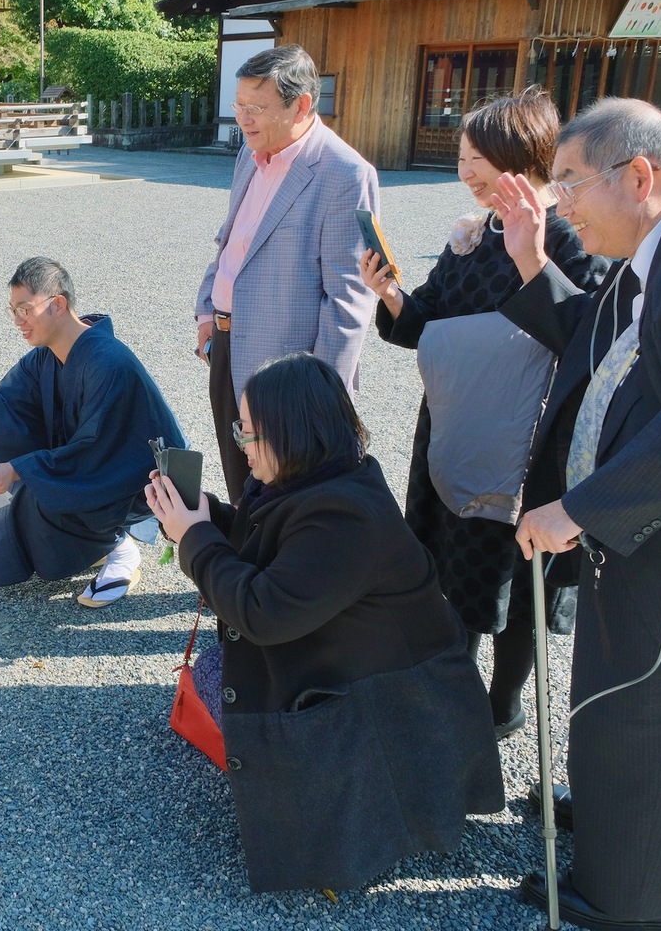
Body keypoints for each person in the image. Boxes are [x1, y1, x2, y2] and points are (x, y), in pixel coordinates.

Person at [147, 352, 503, 893]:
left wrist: (193, 538)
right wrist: (205, 515)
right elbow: (267, 546)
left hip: (395, 702)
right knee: (220, 680)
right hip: (356, 662)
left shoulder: (344, 516)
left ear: (292, 432)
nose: (239, 443)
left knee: (224, 684)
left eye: (247, 432)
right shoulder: (318, 477)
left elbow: (262, 612)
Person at [491, 99, 661, 931]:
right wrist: (527, 260)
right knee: (617, 692)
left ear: (638, 176)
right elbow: (595, 341)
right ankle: (603, 824)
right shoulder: (656, 239)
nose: (557, 205)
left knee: (656, 711)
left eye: (566, 183)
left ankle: (640, 901)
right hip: (639, 530)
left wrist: (581, 508)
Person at [360, 88, 610, 738]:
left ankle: (502, 703)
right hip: (455, 426)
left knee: (512, 578)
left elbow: (583, 340)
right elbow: (424, 323)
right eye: (463, 156)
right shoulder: (472, 236)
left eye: (476, 157)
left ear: (518, 157)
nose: (464, 169)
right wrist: (389, 293)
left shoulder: (569, 236)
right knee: (454, 562)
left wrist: (534, 261)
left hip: (526, 446)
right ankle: (453, 685)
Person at [195, 44, 379, 500]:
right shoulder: (249, 155)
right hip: (225, 345)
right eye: (238, 106)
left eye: (256, 108)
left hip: (289, 372)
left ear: (301, 105)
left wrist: (319, 397)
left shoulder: (344, 172)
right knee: (242, 485)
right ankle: (246, 568)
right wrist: (205, 315)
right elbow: (231, 242)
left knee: (291, 495)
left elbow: (349, 299)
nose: (243, 119)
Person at [0, 257, 185, 607]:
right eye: (13, 311)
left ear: (58, 304)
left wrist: (17, 469)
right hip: (89, 470)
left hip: (133, 482)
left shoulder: (109, 362)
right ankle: (96, 547)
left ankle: (118, 548)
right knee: (23, 487)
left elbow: (98, 453)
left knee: (37, 491)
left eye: (25, 310)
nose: (18, 322)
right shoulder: (43, 358)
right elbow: (4, 416)